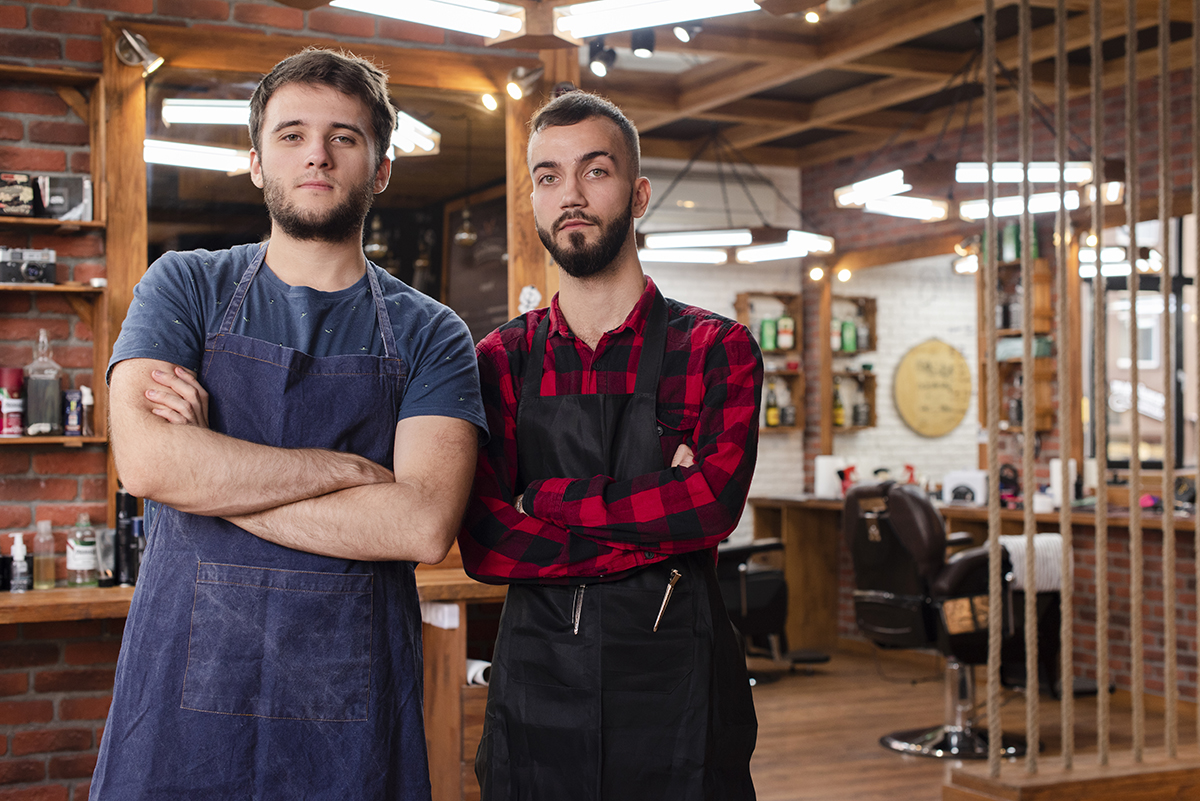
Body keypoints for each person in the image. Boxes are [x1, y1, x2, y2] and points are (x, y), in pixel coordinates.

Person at [91, 49, 486, 800]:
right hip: (178, 706)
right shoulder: (185, 285)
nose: (317, 153)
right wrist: (346, 471)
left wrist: (211, 472)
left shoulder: (432, 334)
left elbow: (421, 525)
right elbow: (148, 465)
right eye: (292, 133)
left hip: (351, 717)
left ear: (381, 169)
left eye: (345, 136)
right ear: (255, 160)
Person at [459, 89, 762, 801]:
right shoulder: (500, 359)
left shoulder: (718, 348)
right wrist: (659, 521)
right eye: (548, 176)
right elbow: (488, 540)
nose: (571, 194)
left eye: (595, 171)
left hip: (680, 696)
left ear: (639, 192)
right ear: (532, 200)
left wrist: (551, 498)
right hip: (538, 694)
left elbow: (712, 507)